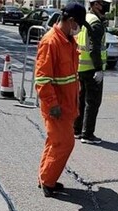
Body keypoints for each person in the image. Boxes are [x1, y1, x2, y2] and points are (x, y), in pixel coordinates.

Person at [35, 2, 86, 198]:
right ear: (71, 21)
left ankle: (45, 177)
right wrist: (52, 105)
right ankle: (48, 181)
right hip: (56, 106)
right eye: (78, 24)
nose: (79, 29)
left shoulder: (67, 40)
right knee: (64, 143)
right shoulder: (51, 42)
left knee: (55, 142)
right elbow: (42, 79)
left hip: (66, 105)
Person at [73, 0, 112, 144]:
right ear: (96, 4)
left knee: (82, 101)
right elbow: (94, 48)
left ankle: (76, 130)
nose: (106, 7)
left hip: (81, 67)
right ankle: (87, 134)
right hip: (91, 68)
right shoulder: (95, 23)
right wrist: (98, 69)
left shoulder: (86, 18)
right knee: (93, 102)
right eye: (104, 4)